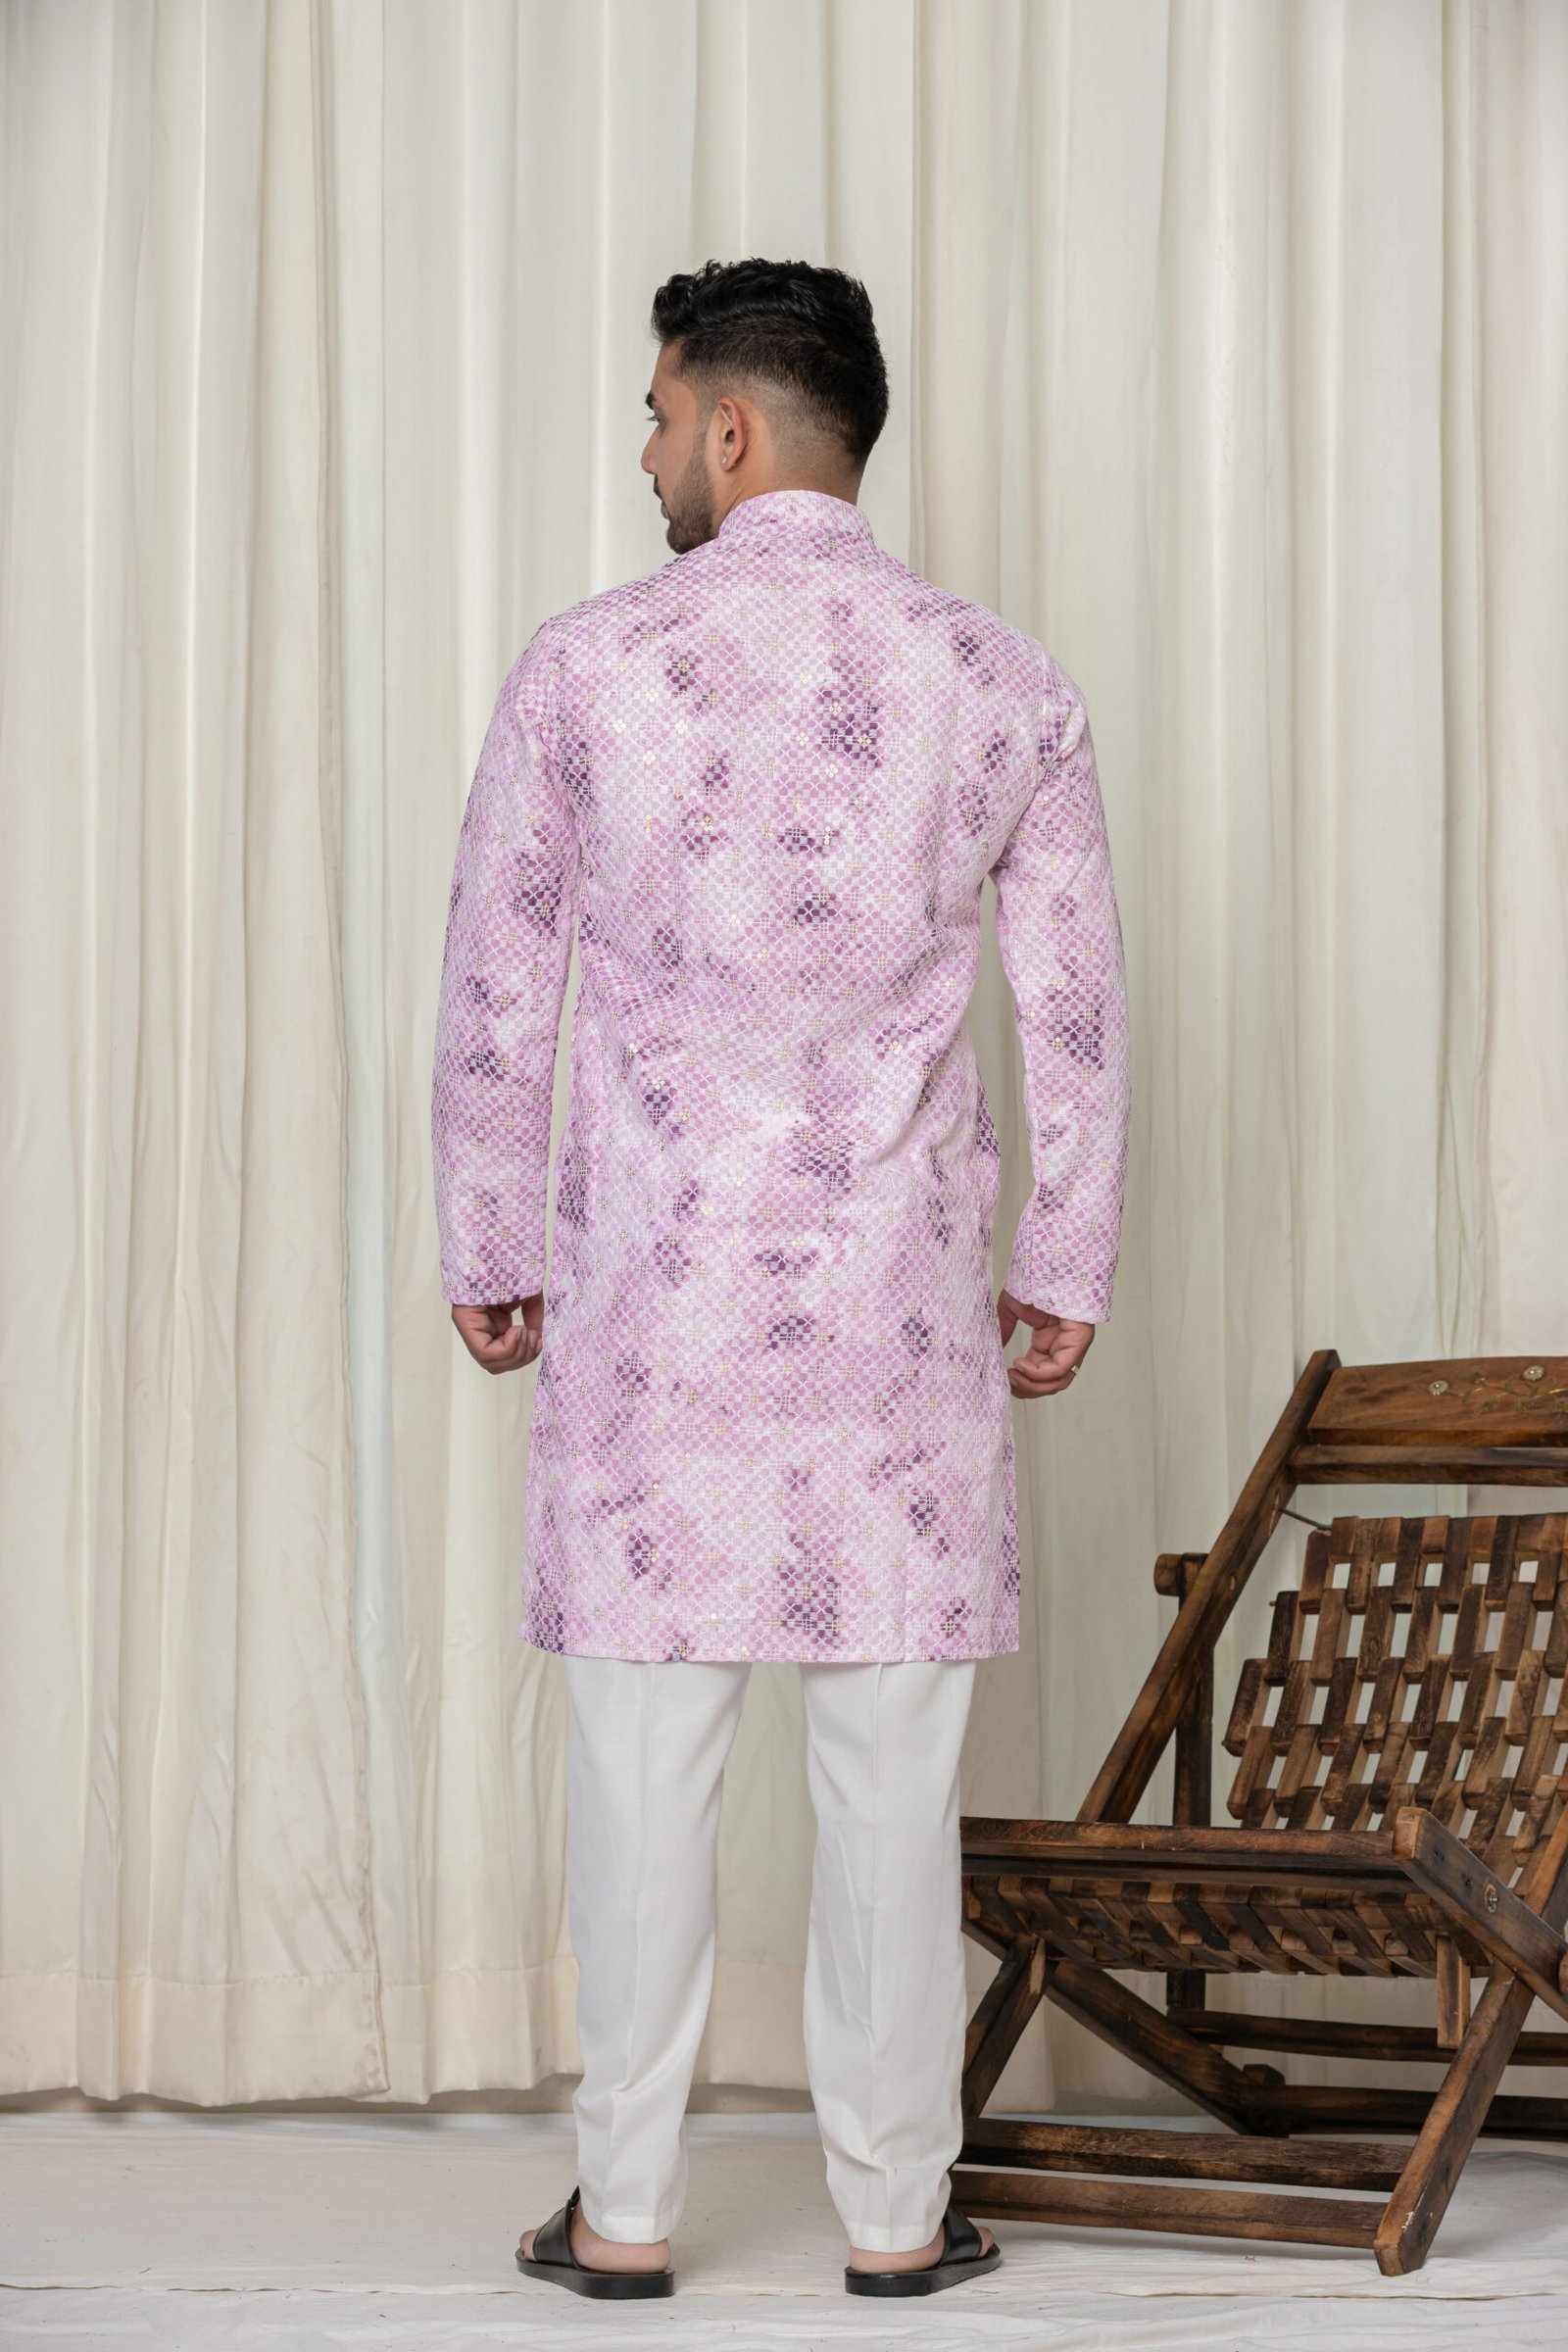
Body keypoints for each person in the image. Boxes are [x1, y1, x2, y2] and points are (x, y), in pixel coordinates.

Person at [429, 257, 1131, 2301]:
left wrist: (489, 1238)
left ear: (731, 431)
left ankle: (625, 2215)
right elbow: (1074, 1015)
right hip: (894, 1337)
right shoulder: (1000, 683)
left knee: (640, 1788)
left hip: (655, 1330)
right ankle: (896, 2223)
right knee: (891, 1803)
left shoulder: (586, 670)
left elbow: (497, 986)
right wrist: (1062, 1258)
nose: (648, 452)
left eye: (658, 416)